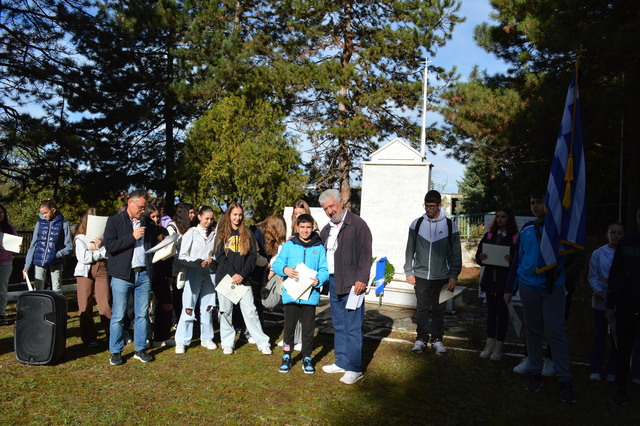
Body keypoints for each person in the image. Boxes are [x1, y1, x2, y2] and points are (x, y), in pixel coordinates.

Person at [504, 190, 576, 403]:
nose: (536, 206)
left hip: (553, 288)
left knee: (556, 332)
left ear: (549, 204)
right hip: (528, 287)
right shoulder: (526, 229)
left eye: (540, 202)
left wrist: (562, 279)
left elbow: (573, 257)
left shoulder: (560, 230)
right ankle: (536, 372)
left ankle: (564, 380)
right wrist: (511, 287)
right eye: (533, 203)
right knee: (533, 330)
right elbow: (518, 259)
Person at [319, 189, 372, 385]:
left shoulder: (358, 225)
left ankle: (354, 368)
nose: (330, 211)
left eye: (332, 206)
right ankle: (341, 361)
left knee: (352, 327)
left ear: (341, 203)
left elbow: (366, 255)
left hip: (352, 284)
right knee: (339, 324)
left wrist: (362, 279)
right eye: (326, 209)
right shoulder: (326, 230)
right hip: (334, 282)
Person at [404, 190, 462, 355]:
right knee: (422, 308)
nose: (428, 209)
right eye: (426, 206)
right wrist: (409, 271)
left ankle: (437, 340)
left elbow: (456, 253)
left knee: (439, 309)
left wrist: (453, 275)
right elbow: (410, 250)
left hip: (443, 277)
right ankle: (421, 339)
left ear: (439, 205)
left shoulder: (450, 226)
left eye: (432, 206)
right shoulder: (417, 224)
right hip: (421, 276)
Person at [103, 190, 157, 365]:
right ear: (130, 203)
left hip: (143, 274)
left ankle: (140, 349)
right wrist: (131, 237)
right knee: (119, 315)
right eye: (141, 207)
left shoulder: (148, 223)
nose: (143, 210)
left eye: (144, 207)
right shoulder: (115, 221)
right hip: (122, 275)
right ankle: (116, 352)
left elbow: (151, 246)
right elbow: (110, 246)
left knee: (142, 315)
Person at [272, 213, 329, 374]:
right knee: (289, 328)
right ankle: (286, 355)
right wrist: (284, 269)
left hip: (310, 297)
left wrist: (319, 279)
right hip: (291, 295)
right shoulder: (289, 245)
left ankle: (307, 357)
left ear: (313, 228)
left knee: (308, 329)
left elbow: (324, 269)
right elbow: (277, 264)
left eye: (308, 227)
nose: (305, 231)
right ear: (297, 228)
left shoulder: (319, 247)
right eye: (302, 227)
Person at [214, 202, 272, 355]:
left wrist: (242, 275)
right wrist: (233, 274)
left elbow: (252, 257)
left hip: (243, 279)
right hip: (226, 279)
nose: (238, 218)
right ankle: (227, 342)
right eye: (235, 214)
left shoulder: (247, 233)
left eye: (240, 215)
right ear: (229, 215)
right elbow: (219, 256)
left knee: (251, 311)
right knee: (225, 312)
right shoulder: (221, 233)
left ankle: (262, 342)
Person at [606, 206, 640, 406]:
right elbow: (615, 275)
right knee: (623, 349)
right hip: (627, 306)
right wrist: (610, 305)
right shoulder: (626, 243)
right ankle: (620, 389)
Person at [475, 207, 518, 361]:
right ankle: (489, 344)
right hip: (490, 281)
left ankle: (499, 346)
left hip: (504, 282)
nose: (500, 219)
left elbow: (518, 260)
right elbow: (479, 258)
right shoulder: (489, 235)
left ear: (509, 219)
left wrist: (511, 260)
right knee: (491, 313)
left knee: (502, 313)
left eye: (503, 217)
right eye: (498, 216)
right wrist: (481, 257)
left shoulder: (514, 238)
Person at [174, 206, 217, 354]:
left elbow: (217, 253)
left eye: (211, 219)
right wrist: (197, 261)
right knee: (188, 305)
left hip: (210, 273)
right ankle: (182, 340)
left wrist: (213, 260)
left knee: (208, 306)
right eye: (207, 218)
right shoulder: (190, 233)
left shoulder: (214, 234)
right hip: (193, 272)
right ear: (199, 217)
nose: (209, 221)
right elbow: (182, 256)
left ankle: (206, 337)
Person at [588, 222, 623, 382]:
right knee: (600, 334)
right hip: (600, 299)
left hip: (619, 300)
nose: (615, 236)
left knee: (616, 335)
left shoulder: (625, 253)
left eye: (619, 233)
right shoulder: (598, 253)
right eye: (613, 232)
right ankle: (596, 368)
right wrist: (600, 290)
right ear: (607, 234)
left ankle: (613, 370)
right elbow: (593, 276)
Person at [74, 208, 112, 347]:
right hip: (85, 272)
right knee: (85, 304)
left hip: (102, 268)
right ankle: (89, 338)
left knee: (105, 303)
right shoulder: (80, 238)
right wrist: (99, 253)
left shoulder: (106, 237)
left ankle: (110, 336)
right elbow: (83, 257)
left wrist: (101, 248)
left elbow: (109, 253)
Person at [23, 199, 73, 292]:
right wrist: (27, 266)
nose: (44, 215)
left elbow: (69, 246)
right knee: (38, 287)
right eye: (42, 213)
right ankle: (38, 306)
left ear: (53, 210)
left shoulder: (64, 224)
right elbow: (33, 245)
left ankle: (57, 306)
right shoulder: (40, 223)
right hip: (39, 259)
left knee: (56, 288)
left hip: (56, 261)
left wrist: (56, 255)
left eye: (45, 212)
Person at [145, 204, 175, 348]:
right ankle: (145, 337)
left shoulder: (163, 231)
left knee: (166, 305)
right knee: (143, 307)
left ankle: (162, 336)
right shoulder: (144, 232)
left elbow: (169, 255)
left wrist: (169, 274)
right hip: (145, 272)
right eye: (153, 217)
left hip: (161, 272)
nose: (156, 219)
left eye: (158, 216)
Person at [166, 202, 195, 327]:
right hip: (175, 267)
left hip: (190, 266)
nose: (193, 215)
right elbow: (173, 248)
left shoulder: (193, 227)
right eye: (191, 213)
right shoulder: (172, 227)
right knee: (177, 294)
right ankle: (176, 320)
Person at [0, 204, 18, 324]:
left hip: (5, 263)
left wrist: (17, 246)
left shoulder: (10, 229)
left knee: (2, 289)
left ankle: (1, 314)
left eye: (1, 212)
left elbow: (15, 246)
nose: (0, 215)